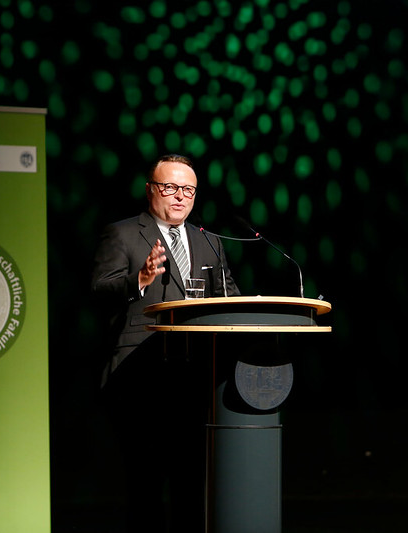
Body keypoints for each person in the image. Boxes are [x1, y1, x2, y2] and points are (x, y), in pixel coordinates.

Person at [91, 154, 239, 533]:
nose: (179, 197)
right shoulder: (123, 233)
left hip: (195, 378)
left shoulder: (209, 242)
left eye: (187, 189)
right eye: (170, 187)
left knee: (192, 485)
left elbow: (230, 297)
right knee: (146, 486)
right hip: (138, 377)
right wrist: (139, 279)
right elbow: (99, 291)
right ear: (150, 190)